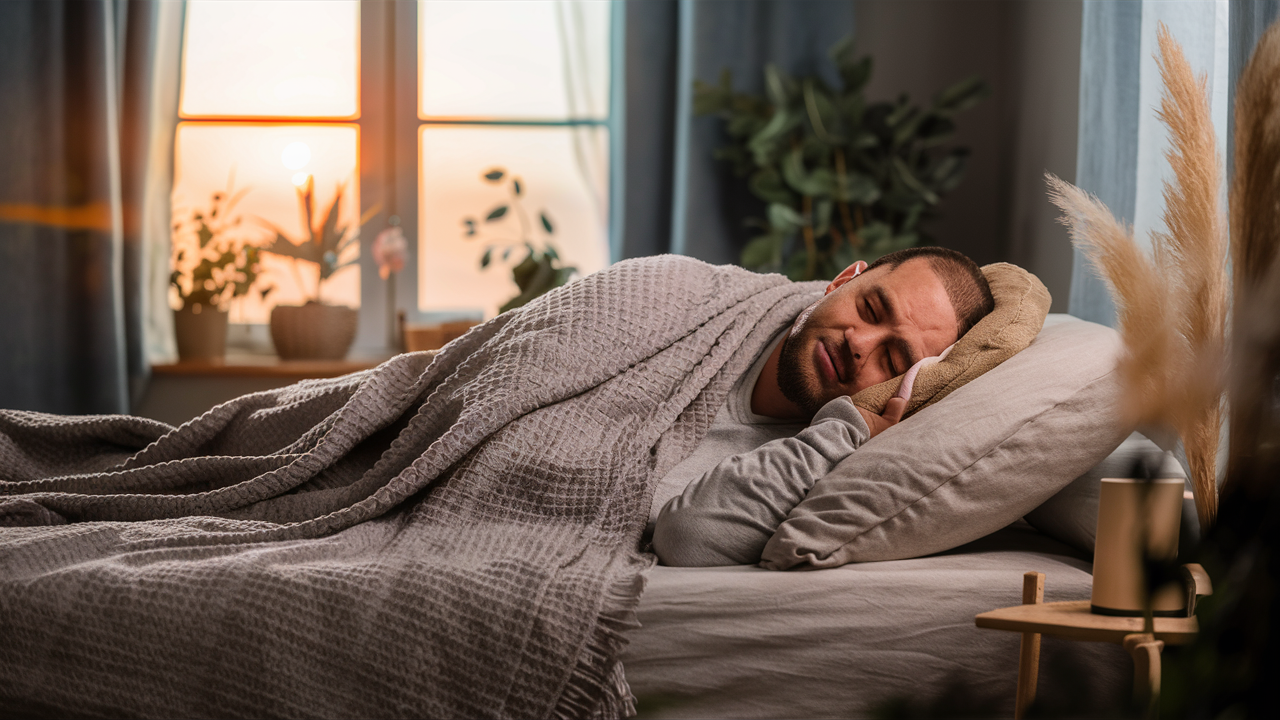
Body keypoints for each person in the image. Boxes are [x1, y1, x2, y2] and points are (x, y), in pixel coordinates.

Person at [651, 246, 995, 566]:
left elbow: (687, 537)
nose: (859, 343)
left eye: (891, 360)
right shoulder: (675, 293)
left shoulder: (826, 461)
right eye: (869, 310)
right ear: (843, 280)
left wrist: (845, 432)